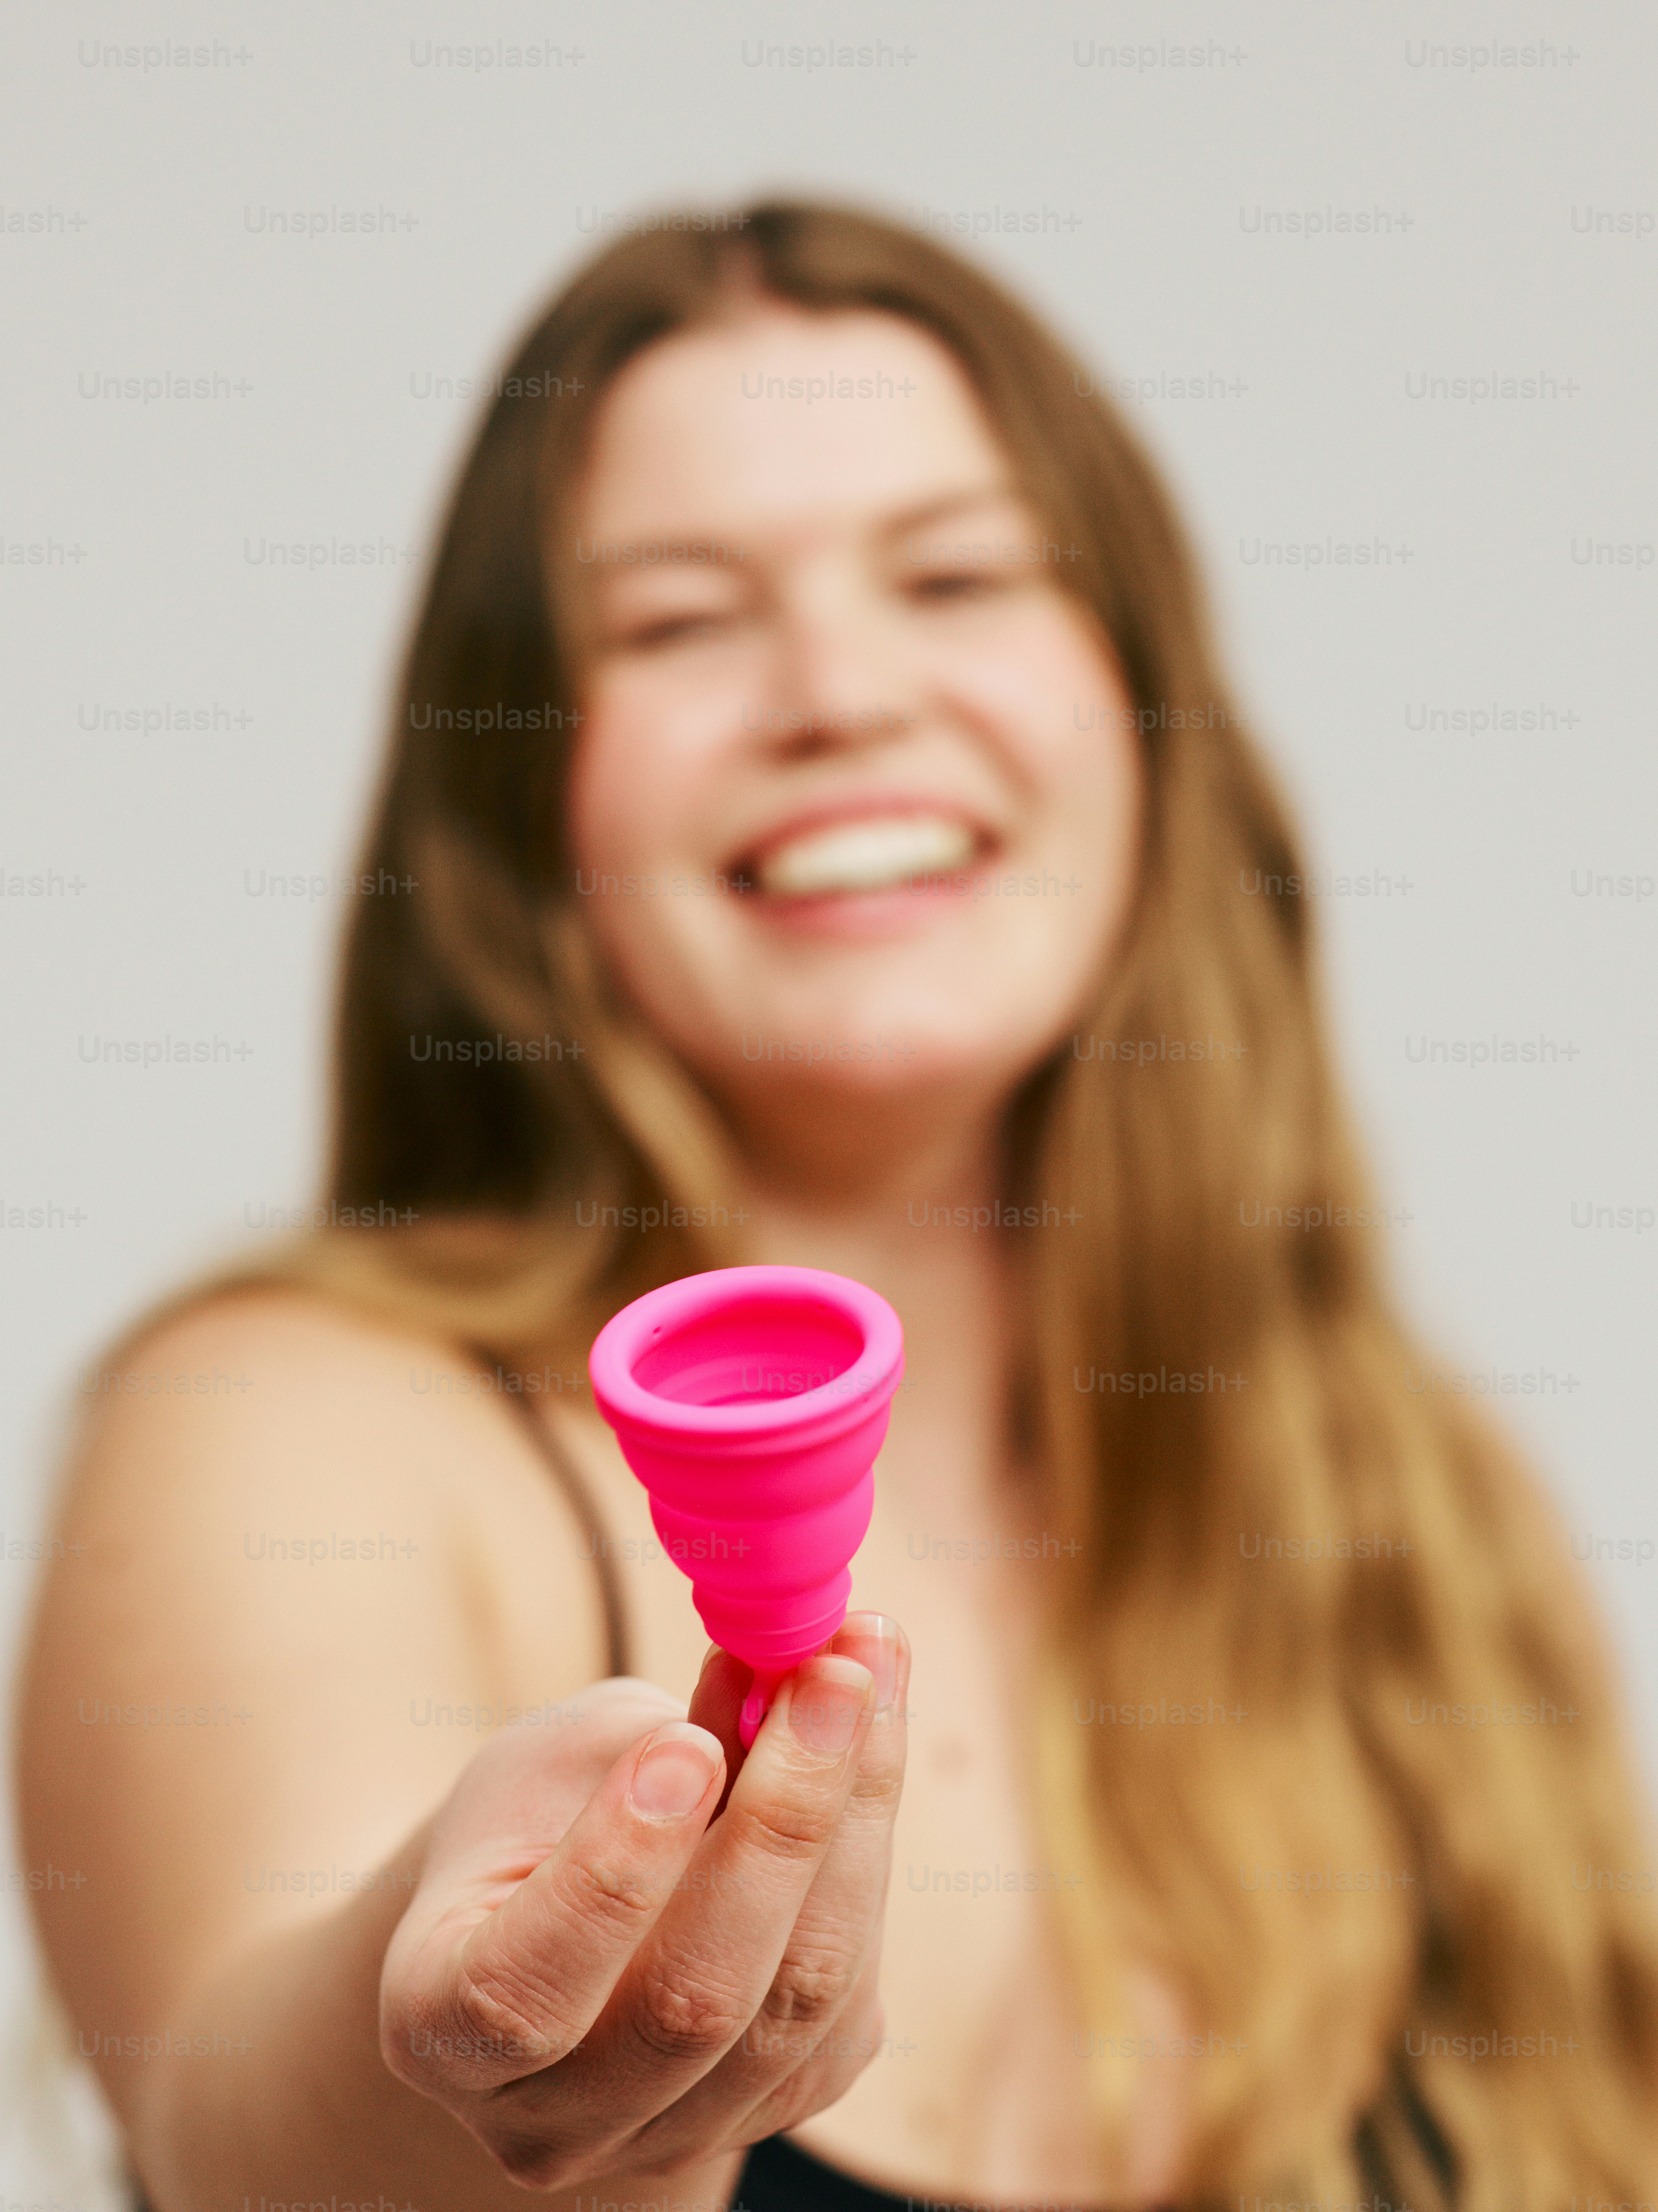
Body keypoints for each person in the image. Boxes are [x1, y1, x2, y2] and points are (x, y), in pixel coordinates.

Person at [16, 199, 1658, 2212]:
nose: (839, 693)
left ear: (1137, 715)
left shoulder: (1405, 1493)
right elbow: (247, 2136)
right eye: (678, 621)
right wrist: (463, 2036)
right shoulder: (292, 1429)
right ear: (529, 804)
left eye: (956, 577)